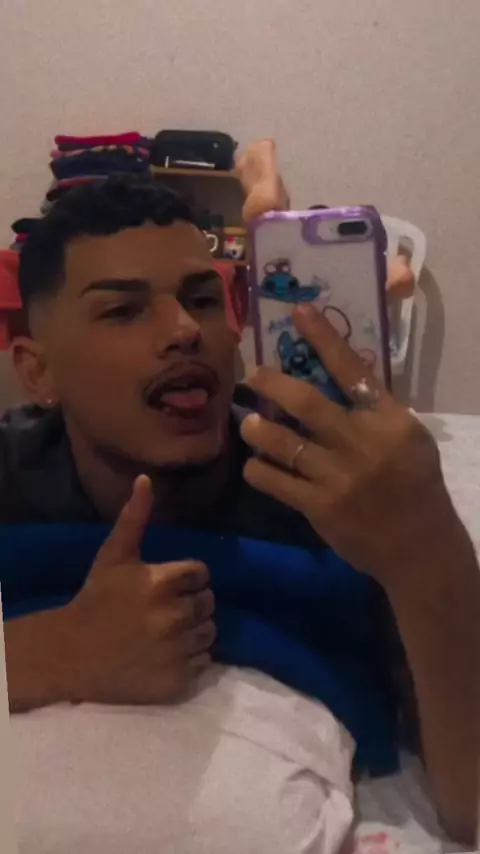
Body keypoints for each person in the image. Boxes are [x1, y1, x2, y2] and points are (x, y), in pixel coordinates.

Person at [0, 140, 478, 844]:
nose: (184, 331)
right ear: (38, 373)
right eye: (123, 311)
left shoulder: (333, 498)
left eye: (202, 298)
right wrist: (48, 653)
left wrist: (431, 550)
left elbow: (471, 800)